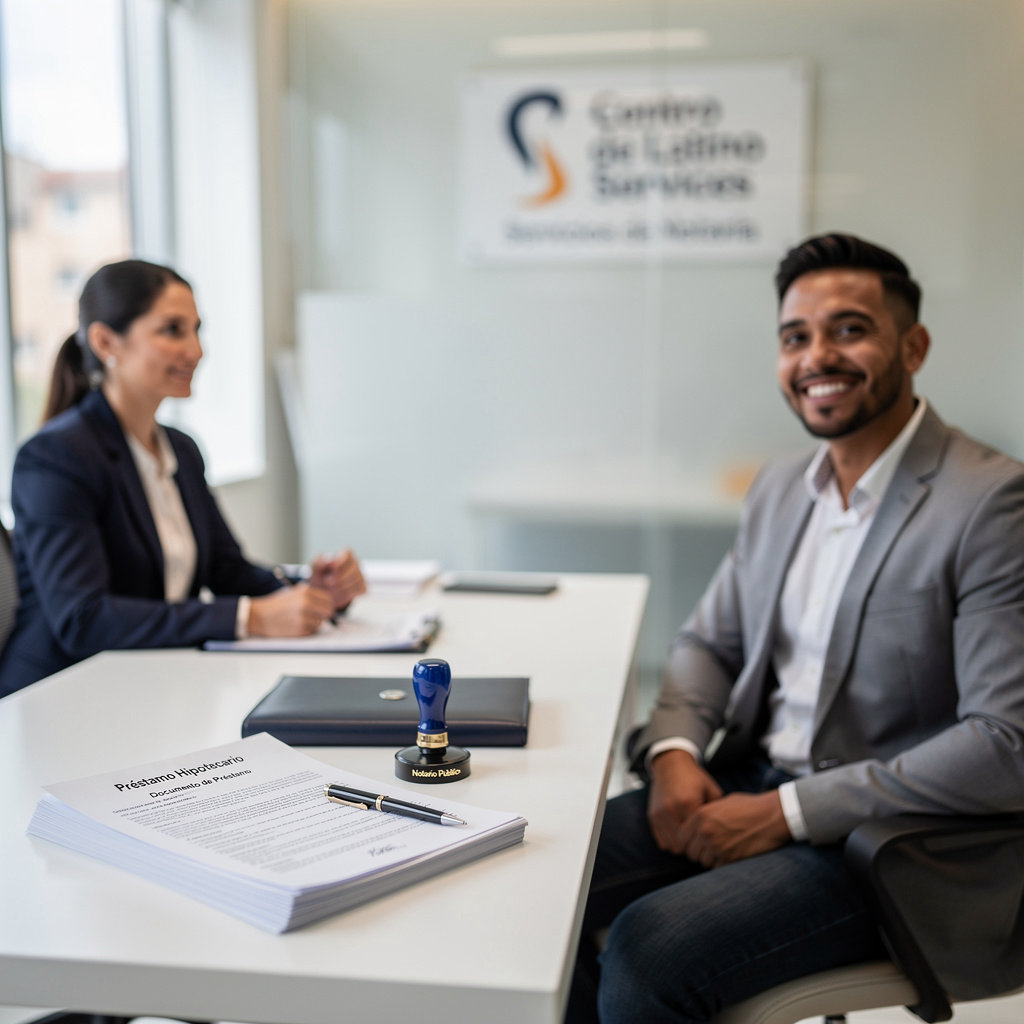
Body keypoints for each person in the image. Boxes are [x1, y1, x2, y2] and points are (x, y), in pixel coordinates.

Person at [567, 233, 1024, 1022]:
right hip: (749, 778)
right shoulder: (782, 486)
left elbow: (1004, 743)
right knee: (550, 884)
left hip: (884, 839)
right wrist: (675, 756)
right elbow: (709, 644)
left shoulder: (990, 502)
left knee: (650, 949)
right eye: (795, 337)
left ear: (912, 346)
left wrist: (787, 813)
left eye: (849, 329)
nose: (818, 356)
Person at [0, 259, 365, 696]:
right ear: (104, 341)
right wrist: (250, 618)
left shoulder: (181, 449)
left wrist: (312, 592)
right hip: (58, 698)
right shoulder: (56, 456)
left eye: (197, 329)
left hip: (151, 687)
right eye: (172, 330)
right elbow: (84, 619)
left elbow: (227, 570)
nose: (196, 350)